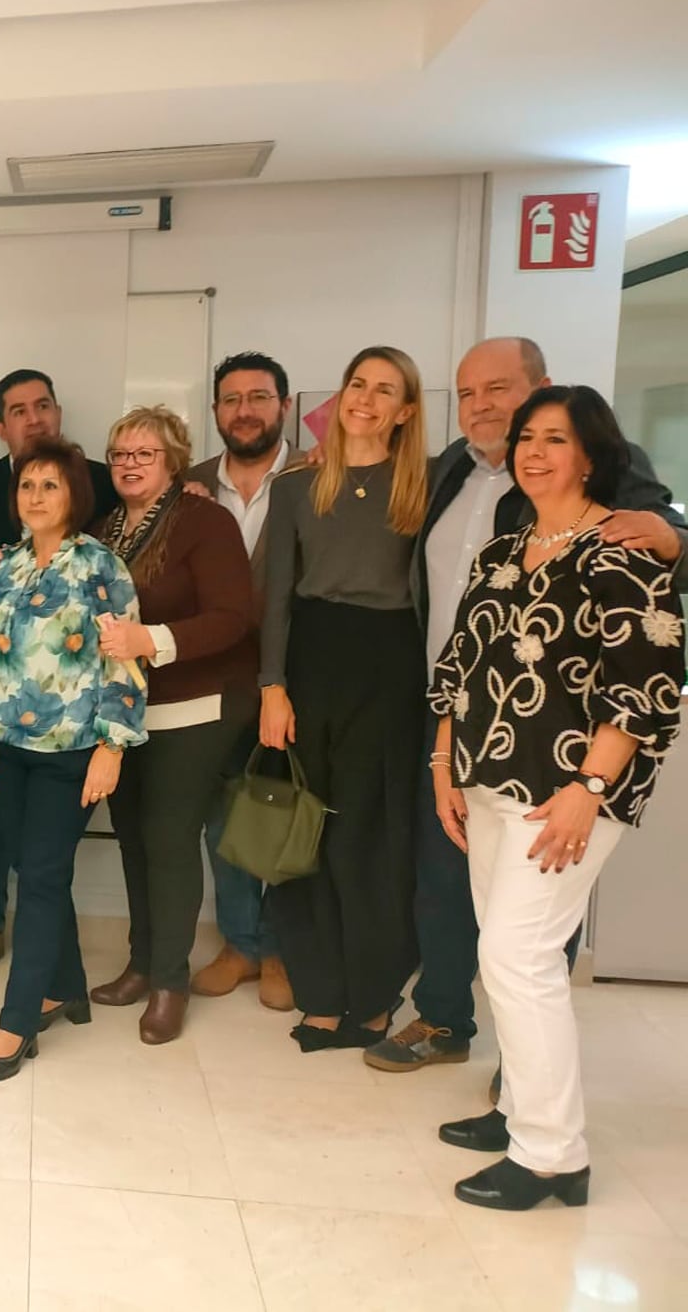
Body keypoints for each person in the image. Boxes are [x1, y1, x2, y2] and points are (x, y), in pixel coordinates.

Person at [366, 336, 688, 1076]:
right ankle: (445, 1019)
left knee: (529, 928)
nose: (483, 407)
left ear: (544, 389)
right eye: (469, 393)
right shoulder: (450, 468)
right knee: (443, 881)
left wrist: (672, 537)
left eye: (500, 390)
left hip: (560, 739)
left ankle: (526, 1065)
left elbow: (659, 542)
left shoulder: (597, 465)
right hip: (458, 713)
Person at [429, 385, 682, 1210]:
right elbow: (458, 668)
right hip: (485, 780)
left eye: (557, 440)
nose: (535, 453)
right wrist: (442, 766)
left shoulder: (622, 548)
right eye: (527, 438)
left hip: (567, 793)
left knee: (519, 957)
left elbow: (648, 688)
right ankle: (515, 1111)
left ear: (591, 453)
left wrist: (590, 789)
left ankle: (551, 1156)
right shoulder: (504, 549)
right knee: (501, 955)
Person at [0, 437, 147, 1082]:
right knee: (30, 867)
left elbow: (124, 661)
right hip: (7, 747)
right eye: (27, 486)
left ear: (74, 496)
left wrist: (112, 748)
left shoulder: (101, 566)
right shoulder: (2, 568)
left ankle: (15, 1023)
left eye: (50, 485)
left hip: (72, 751)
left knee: (39, 877)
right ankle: (61, 985)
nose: (35, 497)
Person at [259, 346, 428, 1051]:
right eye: (358, 383)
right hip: (311, 663)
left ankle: (375, 998)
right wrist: (272, 685)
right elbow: (275, 595)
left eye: (384, 389)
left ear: (405, 410)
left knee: (370, 840)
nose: (365, 397)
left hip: (390, 669)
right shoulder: (297, 485)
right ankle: (322, 993)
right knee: (308, 836)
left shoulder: (425, 483)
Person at [0, 369, 117, 982]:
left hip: (76, 717)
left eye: (43, 404)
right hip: (4, 706)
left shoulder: (100, 482)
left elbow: (117, 587)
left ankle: (44, 984)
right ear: (1, 427)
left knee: (46, 860)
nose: (34, 416)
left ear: (59, 411)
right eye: (19, 410)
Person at [91, 407, 253, 1045]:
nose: (129, 464)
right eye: (119, 454)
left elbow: (233, 617)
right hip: (129, 712)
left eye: (143, 453)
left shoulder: (204, 520)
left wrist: (148, 639)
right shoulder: (106, 529)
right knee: (132, 835)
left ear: (173, 459)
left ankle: (169, 982)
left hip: (198, 704)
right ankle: (140, 962)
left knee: (168, 837)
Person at [183, 353, 302, 1013]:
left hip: (297, 678)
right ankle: (241, 942)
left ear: (283, 405)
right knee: (222, 816)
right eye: (231, 400)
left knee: (284, 817)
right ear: (216, 412)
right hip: (217, 682)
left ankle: (285, 946)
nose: (245, 411)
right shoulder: (190, 483)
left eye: (258, 397)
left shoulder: (320, 475)